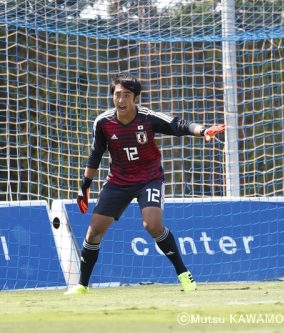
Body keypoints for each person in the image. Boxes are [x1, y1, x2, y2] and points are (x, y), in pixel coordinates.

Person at [65, 73, 225, 294]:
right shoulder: (103, 123)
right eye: (117, 95)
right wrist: (85, 186)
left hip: (149, 179)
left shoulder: (148, 118)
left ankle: (183, 274)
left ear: (136, 98)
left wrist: (204, 130)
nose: (121, 100)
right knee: (93, 232)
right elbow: (95, 155)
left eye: (126, 96)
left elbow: (179, 125)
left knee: (152, 225)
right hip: (118, 181)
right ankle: (81, 286)